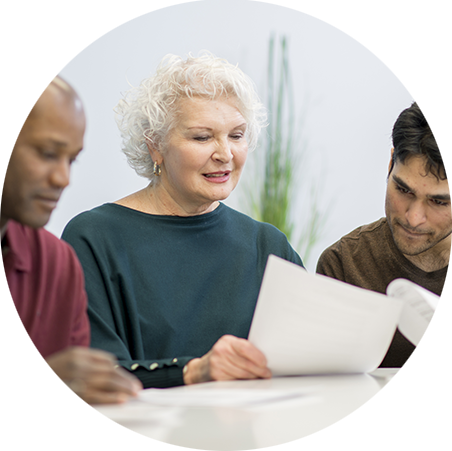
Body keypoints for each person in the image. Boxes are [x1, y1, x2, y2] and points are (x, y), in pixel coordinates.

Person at [62, 53, 304, 389]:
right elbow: (91, 379)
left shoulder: (268, 245)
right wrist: (190, 372)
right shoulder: (94, 238)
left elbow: (307, 361)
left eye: (236, 135)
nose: (225, 154)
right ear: (155, 146)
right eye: (202, 137)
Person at [1, 77, 142, 404]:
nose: (63, 179)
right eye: (48, 154)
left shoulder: (58, 264)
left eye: (72, 159)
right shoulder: (91, 236)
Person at [316, 102, 450, 367]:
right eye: (404, 190)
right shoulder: (343, 265)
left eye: (438, 202)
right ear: (390, 164)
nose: (413, 218)